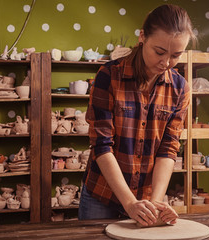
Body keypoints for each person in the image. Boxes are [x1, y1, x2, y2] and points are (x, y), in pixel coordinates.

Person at [79, 4, 196, 227]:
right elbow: (102, 146)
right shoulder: (109, 76)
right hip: (102, 196)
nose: (166, 62)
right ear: (142, 37)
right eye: (159, 52)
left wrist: (156, 203)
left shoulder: (181, 89)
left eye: (176, 55)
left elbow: (168, 149)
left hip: (147, 197)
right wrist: (130, 203)